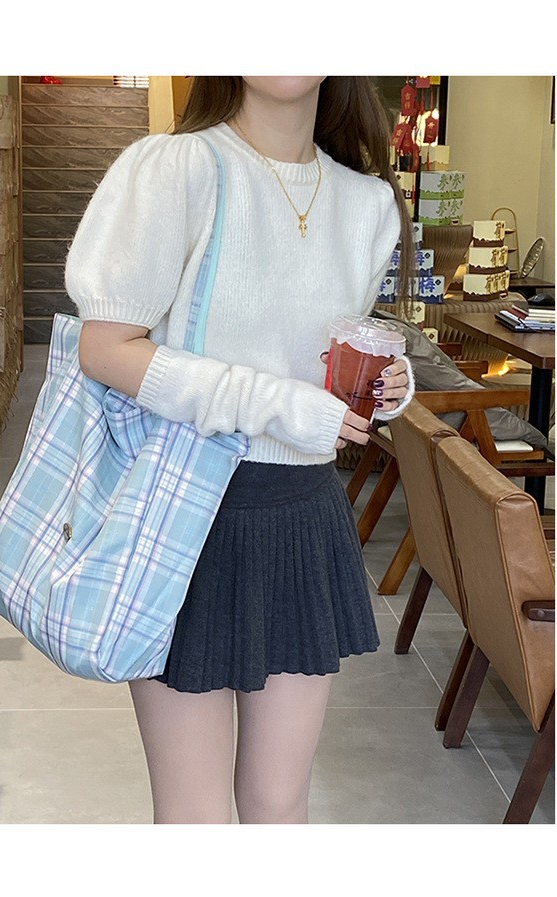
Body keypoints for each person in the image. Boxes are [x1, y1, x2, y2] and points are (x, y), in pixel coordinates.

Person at [64, 76, 415, 824]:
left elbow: (324, 345)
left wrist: (382, 382)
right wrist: (281, 407)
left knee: (280, 805)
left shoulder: (368, 203)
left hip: (300, 514)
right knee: (194, 815)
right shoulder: (176, 169)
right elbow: (106, 348)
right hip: (185, 514)